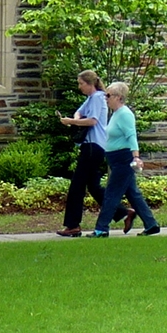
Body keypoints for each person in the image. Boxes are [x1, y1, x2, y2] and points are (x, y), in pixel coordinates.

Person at [88, 82, 160, 236]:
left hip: (123, 159)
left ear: (119, 97)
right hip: (115, 159)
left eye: (108, 95)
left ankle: (101, 229)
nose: (105, 98)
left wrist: (136, 157)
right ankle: (151, 224)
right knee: (133, 193)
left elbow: (131, 136)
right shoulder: (116, 114)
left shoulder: (125, 114)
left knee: (111, 194)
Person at [57, 70, 112, 237]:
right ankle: (121, 212)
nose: (79, 86)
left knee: (77, 186)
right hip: (91, 146)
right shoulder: (90, 99)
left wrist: (72, 122)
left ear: (90, 84)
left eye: (81, 83)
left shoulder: (97, 97)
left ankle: (73, 225)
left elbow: (93, 120)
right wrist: (75, 118)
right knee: (93, 185)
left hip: (93, 146)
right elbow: (79, 112)